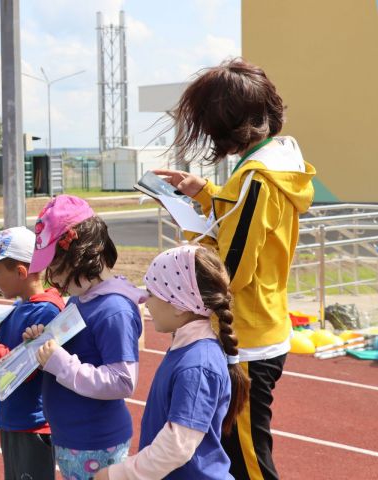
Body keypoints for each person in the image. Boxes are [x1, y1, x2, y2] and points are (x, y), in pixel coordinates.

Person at [153, 58, 315, 479]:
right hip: (263, 323)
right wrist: (204, 194)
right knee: (241, 453)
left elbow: (229, 271)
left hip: (246, 339)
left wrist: (190, 239)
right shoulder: (279, 164)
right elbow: (242, 225)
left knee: (247, 463)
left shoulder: (256, 178)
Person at [94, 245, 251, 479]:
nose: (145, 301)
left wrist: (119, 474)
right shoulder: (188, 350)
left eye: (152, 293)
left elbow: (177, 446)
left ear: (178, 305)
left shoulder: (198, 365)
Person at [23, 195, 147, 479]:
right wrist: (46, 342)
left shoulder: (113, 309)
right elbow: (77, 349)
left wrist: (60, 363)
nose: (52, 276)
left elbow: (123, 381)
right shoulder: (82, 298)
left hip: (95, 443)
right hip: (75, 438)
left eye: (55, 266)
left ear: (82, 254)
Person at [0, 226, 64, 480]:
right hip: (14, 421)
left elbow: (21, 370)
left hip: (34, 426)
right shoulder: (20, 308)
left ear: (21, 272)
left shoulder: (46, 313)